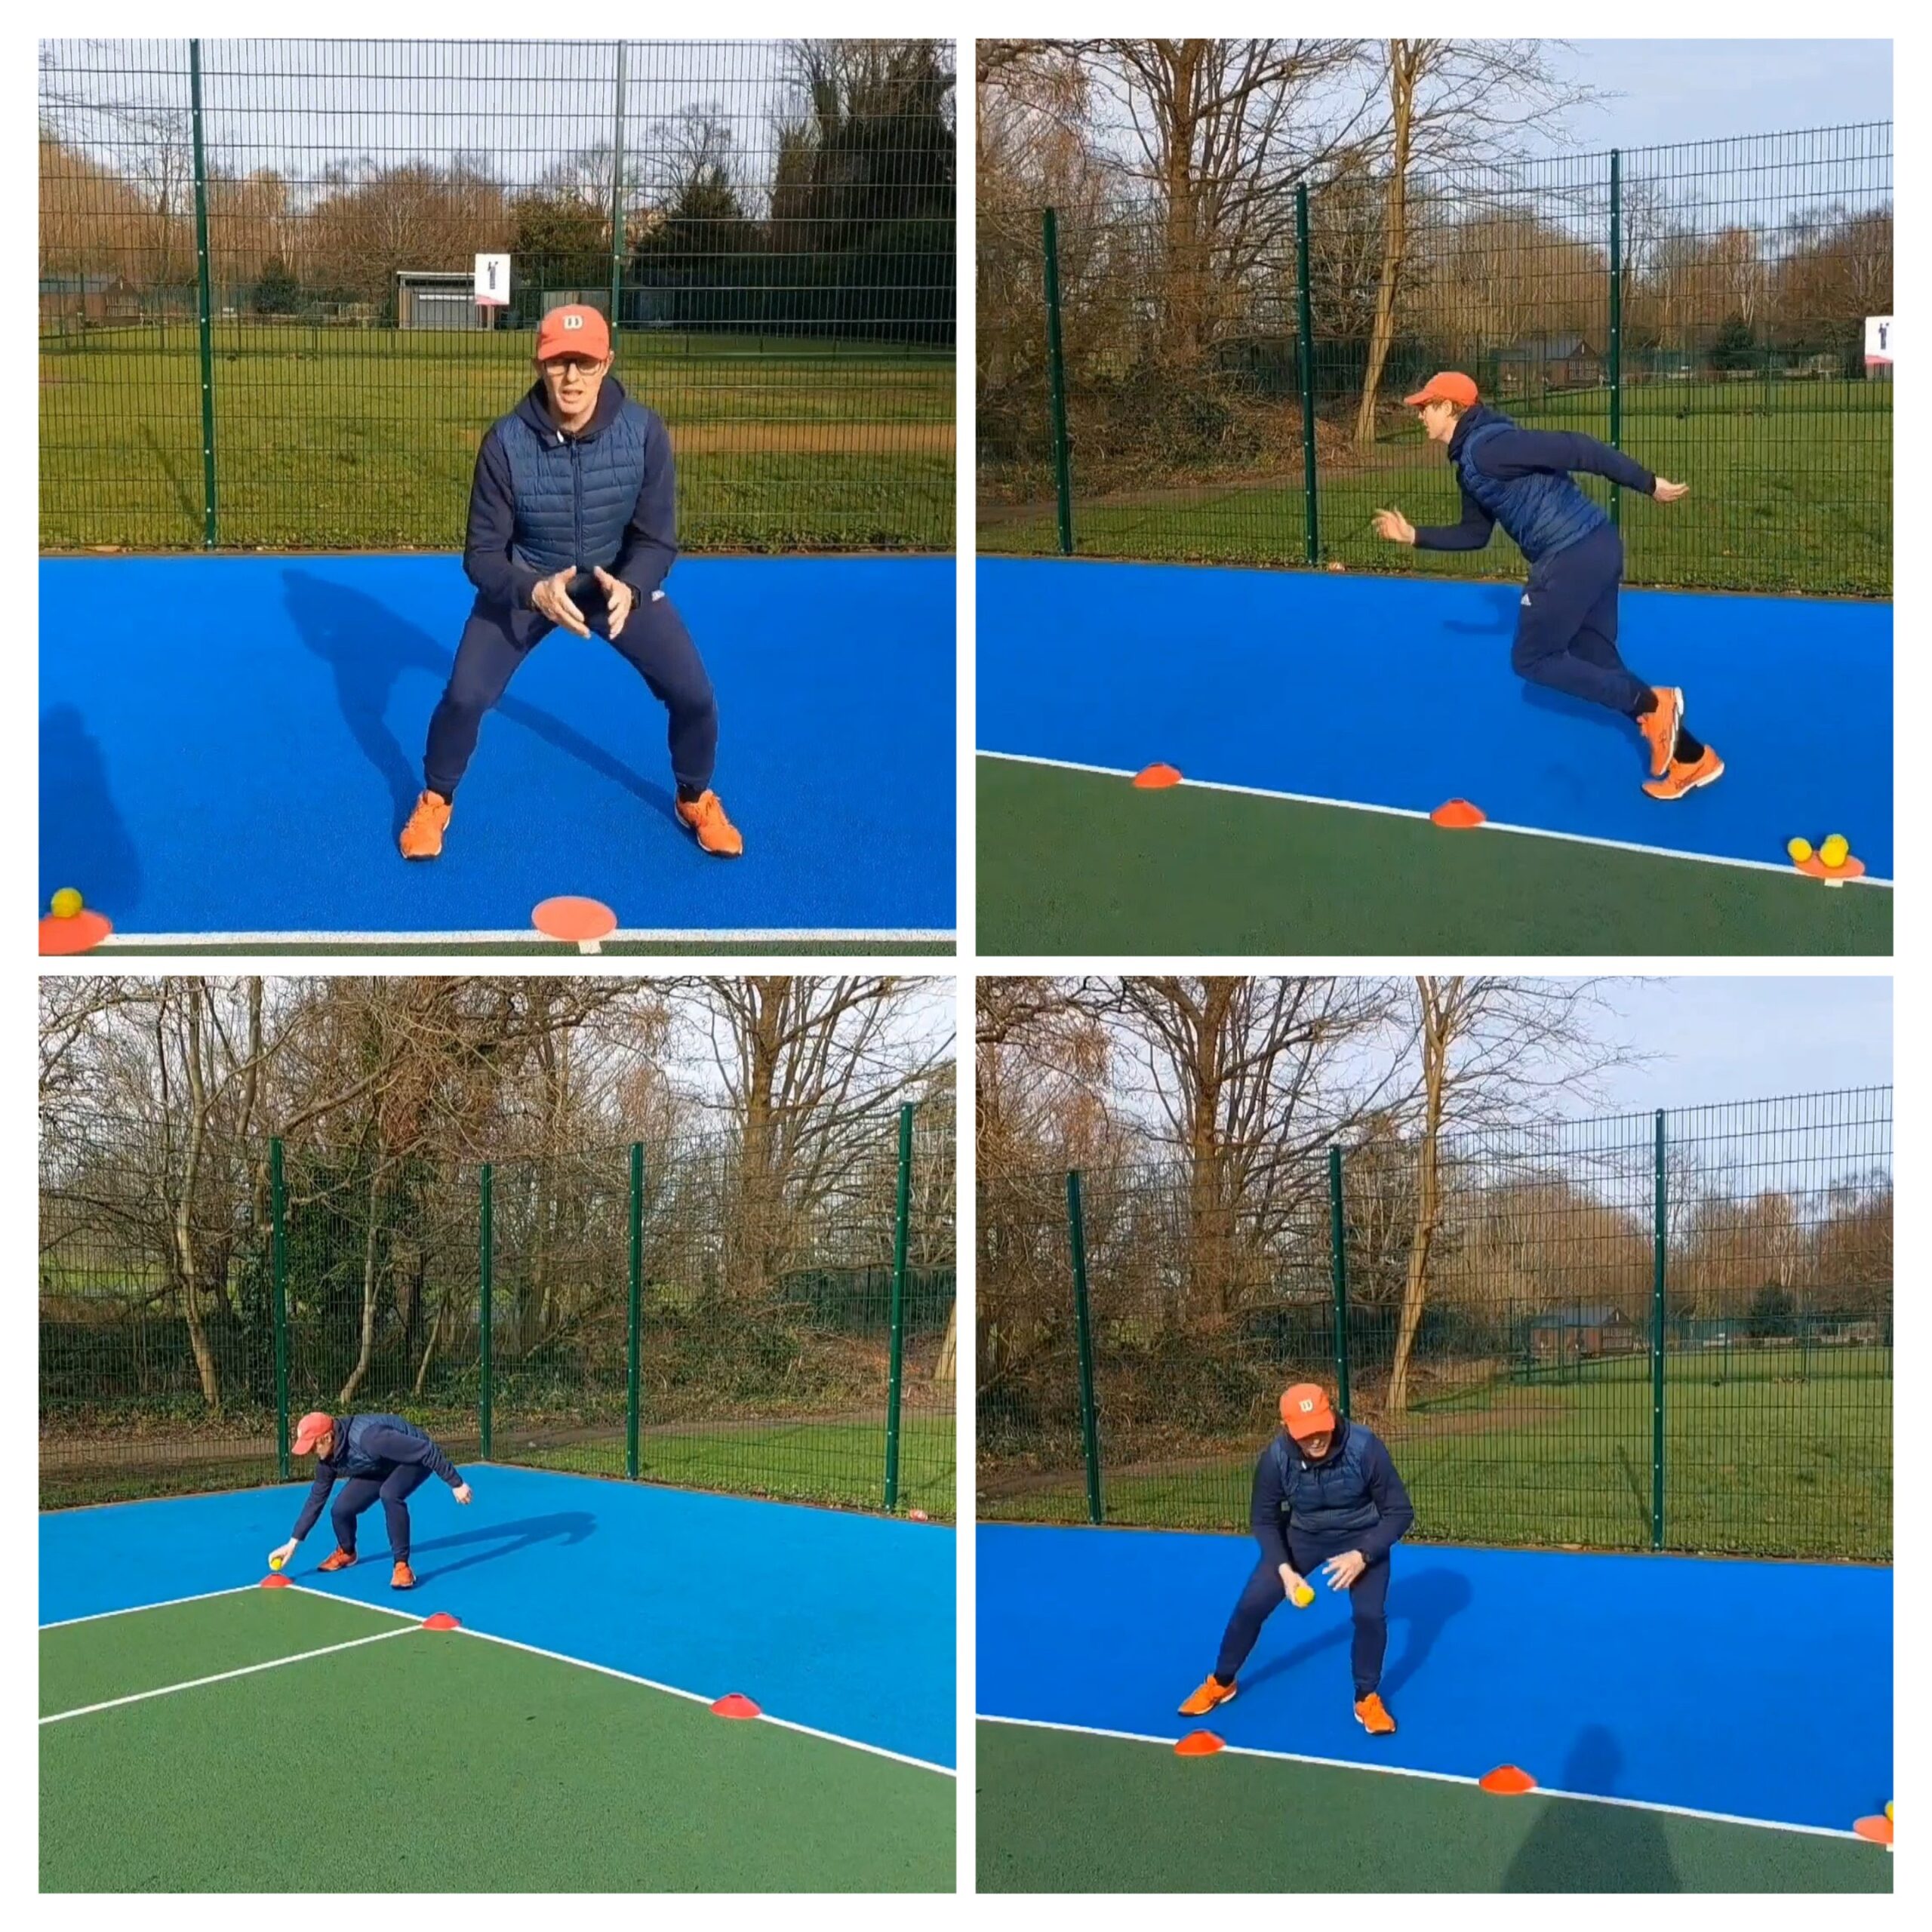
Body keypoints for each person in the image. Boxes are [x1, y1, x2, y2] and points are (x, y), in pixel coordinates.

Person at [398, 303, 743, 860]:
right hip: (530, 584)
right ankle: (437, 797)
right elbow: (482, 555)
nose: (572, 377)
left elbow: (658, 540)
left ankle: (695, 795)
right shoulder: (505, 444)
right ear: (540, 364)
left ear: (607, 363)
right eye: (559, 362)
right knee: (464, 696)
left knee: (696, 696)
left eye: (584, 362)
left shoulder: (645, 433)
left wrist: (631, 587)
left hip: (616, 588)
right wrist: (531, 589)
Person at [1371, 371, 1722, 801]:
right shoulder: (1470, 462)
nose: (1420, 414)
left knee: (1531, 659)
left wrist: (1646, 483)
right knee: (1597, 658)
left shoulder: (1489, 447)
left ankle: (1656, 705)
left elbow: (1578, 447)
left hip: (1569, 556)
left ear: (1451, 408)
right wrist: (1414, 537)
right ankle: (1693, 757)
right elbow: (1475, 534)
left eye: (1427, 405)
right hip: (1597, 545)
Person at [1179, 1383, 1414, 1736]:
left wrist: (1363, 1555)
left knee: (1369, 1615)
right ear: (1288, 1427)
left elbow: (1399, 1512)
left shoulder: (1365, 1448)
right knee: (1252, 1604)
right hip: (1303, 1535)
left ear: (1331, 1414)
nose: (1316, 1439)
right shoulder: (1276, 1458)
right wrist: (1285, 1571)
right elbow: (1264, 1519)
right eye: (1306, 1433)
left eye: (1321, 1427)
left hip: (1362, 1534)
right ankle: (1222, 1681)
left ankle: (1367, 1697)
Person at [269, 1411, 472, 1590]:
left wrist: (456, 1483)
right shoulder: (327, 1460)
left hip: (414, 1459)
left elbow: (426, 1449)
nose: (311, 1453)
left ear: (328, 1437)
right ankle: (347, 1552)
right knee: (341, 1509)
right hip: (380, 1465)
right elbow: (316, 1498)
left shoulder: (371, 1438)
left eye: (312, 1447)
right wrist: (292, 1543)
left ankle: (402, 1566)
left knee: (390, 1493)